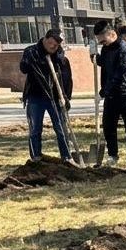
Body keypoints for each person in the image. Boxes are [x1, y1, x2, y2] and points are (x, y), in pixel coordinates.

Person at [19, 28, 74, 163]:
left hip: (55, 98)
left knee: (61, 129)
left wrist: (66, 97)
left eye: (56, 45)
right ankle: (36, 157)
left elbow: (67, 79)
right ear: (45, 39)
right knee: (35, 129)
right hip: (35, 97)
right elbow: (23, 68)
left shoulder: (60, 56)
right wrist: (30, 61)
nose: (53, 47)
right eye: (51, 43)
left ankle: (67, 157)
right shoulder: (31, 52)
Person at [93, 20, 126, 167]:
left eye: (103, 40)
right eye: (100, 42)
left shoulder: (124, 50)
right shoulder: (106, 49)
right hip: (111, 92)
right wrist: (94, 56)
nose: (102, 44)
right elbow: (104, 64)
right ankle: (112, 155)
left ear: (112, 34)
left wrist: (103, 92)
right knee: (108, 125)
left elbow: (118, 75)